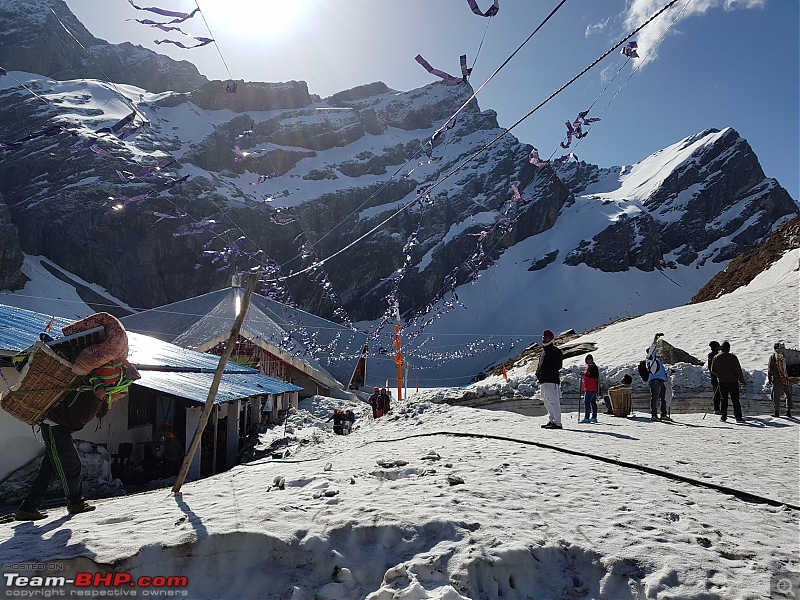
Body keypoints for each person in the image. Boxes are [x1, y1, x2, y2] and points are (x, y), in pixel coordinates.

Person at [14, 389, 111, 520]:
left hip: (57, 428)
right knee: (72, 464)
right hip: (54, 427)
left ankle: (27, 509)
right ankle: (75, 503)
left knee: (48, 471)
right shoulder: (90, 395)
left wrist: (103, 402)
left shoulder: (93, 395)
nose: (117, 399)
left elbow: (98, 414)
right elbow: (81, 420)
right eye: (118, 396)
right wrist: (98, 399)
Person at [710, 341, 746, 423]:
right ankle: (738, 417)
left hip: (722, 382)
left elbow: (713, 370)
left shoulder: (716, 357)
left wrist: (719, 375)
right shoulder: (733, 357)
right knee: (735, 400)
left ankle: (723, 416)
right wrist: (742, 380)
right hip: (733, 381)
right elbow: (738, 370)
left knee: (724, 399)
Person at [536, 329, 563, 429]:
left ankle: (557, 422)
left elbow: (558, 366)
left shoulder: (556, 351)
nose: (544, 339)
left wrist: (547, 374)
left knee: (553, 401)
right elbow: (540, 365)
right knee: (546, 402)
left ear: (551, 339)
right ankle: (551, 420)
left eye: (546, 338)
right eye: (543, 337)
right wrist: (538, 373)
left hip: (552, 381)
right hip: (543, 381)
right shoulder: (543, 351)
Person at [645, 333, 669, 421]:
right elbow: (652, 349)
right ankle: (654, 415)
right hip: (655, 381)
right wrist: (655, 340)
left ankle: (663, 414)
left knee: (663, 398)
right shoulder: (650, 358)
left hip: (660, 380)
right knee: (655, 398)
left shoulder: (657, 360)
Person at [768, 343, 793, 418]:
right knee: (788, 394)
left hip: (778, 379)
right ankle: (788, 411)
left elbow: (770, 368)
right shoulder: (787, 356)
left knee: (776, 395)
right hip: (787, 378)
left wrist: (770, 377)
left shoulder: (773, 357)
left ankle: (776, 412)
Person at [580, 354, 599, 424]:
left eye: (589, 359)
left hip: (590, 387)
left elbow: (594, 376)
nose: (588, 360)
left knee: (587, 403)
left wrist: (585, 375)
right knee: (593, 403)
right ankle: (594, 417)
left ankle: (587, 418)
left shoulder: (592, 367)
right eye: (587, 359)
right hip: (592, 387)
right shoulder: (591, 367)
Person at [708, 341, 722, 414]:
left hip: (714, 376)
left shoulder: (710, 355)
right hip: (718, 376)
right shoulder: (717, 355)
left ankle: (717, 408)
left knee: (716, 393)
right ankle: (718, 409)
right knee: (719, 393)